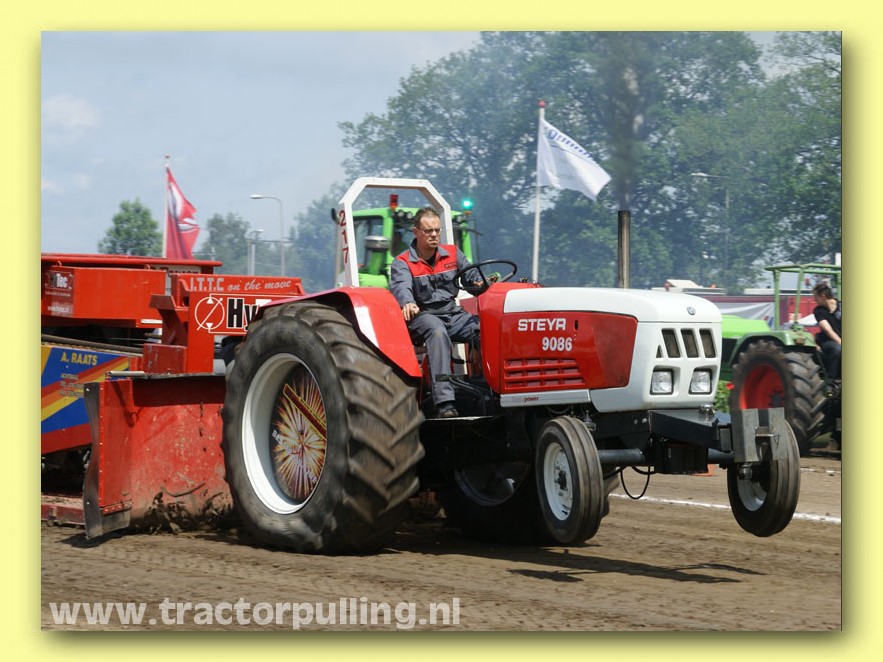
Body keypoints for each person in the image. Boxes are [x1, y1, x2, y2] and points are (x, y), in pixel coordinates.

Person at [389, 207, 479, 418]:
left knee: (484, 329)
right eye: (428, 231)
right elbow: (401, 287)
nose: (434, 235)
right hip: (423, 315)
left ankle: (485, 387)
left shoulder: (453, 254)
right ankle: (445, 403)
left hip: (452, 313)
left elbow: (472, 277)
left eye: (437, 230)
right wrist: (408, 303)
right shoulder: (403, 262)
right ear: (416, 232)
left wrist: (480, 282)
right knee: (438, 332)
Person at [811, 283, 841, 379]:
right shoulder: (818, 311)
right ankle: (831, 379)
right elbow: (828, 330)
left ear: (823, 296)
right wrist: (841, 342)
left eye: (815, 296)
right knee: (837, 349)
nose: (814, 299)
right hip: (827, 341)